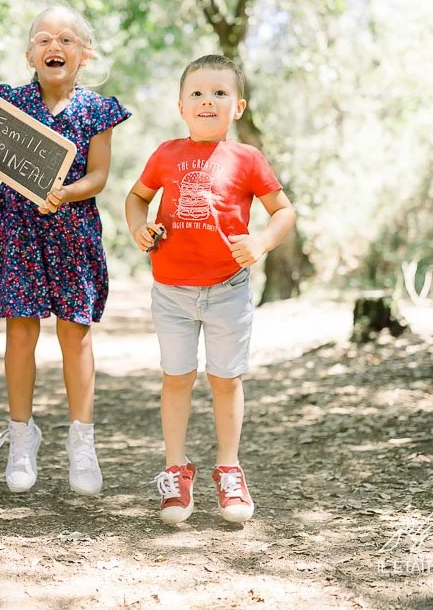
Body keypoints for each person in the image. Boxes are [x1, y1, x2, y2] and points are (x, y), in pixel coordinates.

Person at [0, 5, 131, 495]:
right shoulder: (9, 102)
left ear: (85, 53)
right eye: (42, 39)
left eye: (65, 39)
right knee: (20, 333)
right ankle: (22, 437)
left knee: (75, 336)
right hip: (19, 233)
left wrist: (69, 191)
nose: (53, 46)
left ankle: (82, 441)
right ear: (29, 53)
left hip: (74, 234)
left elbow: (99, 175)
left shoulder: (96, 110)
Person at [124, 54, 296, 524]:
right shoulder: (165, 153)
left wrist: (260, 242)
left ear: (237, 107)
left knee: (225, 379)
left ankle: (229, 468)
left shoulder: (247, 158)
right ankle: (176, 471)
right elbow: (136, 198)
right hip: (172, 290)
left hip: (228, 289)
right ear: (181, 105)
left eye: (219, 93)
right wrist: (139, 228)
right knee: (177, 377)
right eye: (197, 93)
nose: (207, 101)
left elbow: (284, 212)